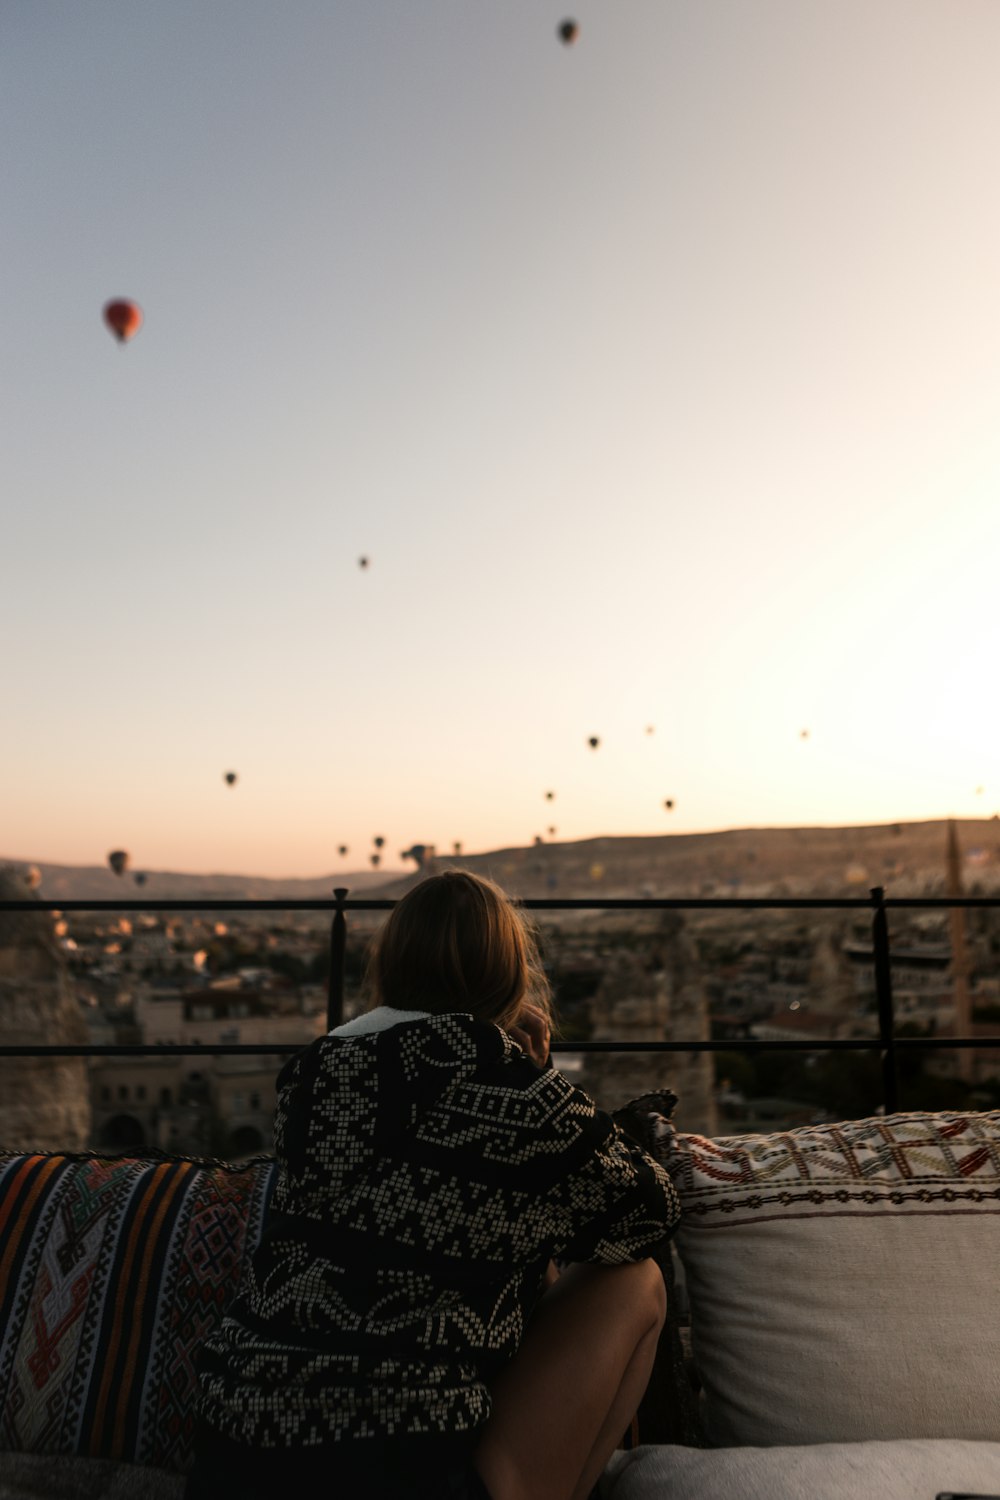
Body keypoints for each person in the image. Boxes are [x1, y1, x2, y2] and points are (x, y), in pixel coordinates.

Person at [188, 871, 680, 1500]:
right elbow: (650, 1212)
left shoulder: (309, 1078)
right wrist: (542, 1078)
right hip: (405, 1472)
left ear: (391, 966)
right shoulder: (513, 1090)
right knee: (637, 1283)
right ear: (507, 977)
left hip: (232, 1463)